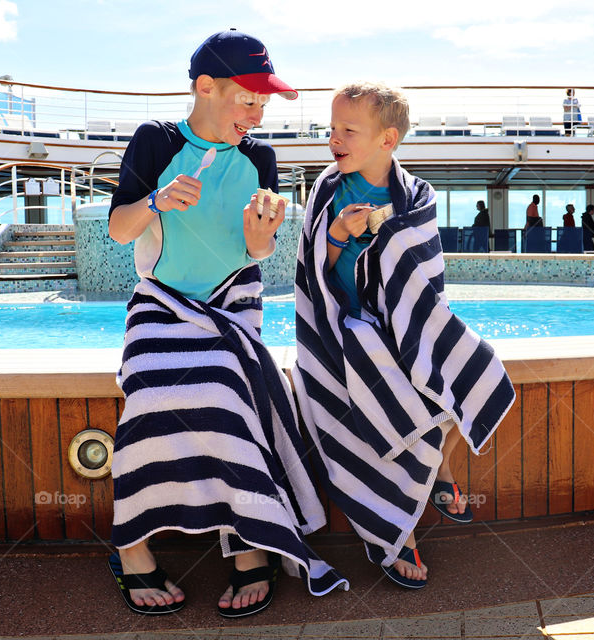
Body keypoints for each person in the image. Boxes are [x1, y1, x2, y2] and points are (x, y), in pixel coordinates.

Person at [106, 29, 347, 618]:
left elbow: (252, 254)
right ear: (205, 87)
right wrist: (157, 201)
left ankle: (248, 540)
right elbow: (119, 231)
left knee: (229, 391)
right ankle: (131, 547)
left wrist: (262, 241)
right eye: (249, 99)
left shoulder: (260, 158)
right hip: (161, 303)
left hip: (232, 303)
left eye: (264, 103)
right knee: (149, 398)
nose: (258, 113)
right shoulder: (155, 142)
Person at [293, 82, 515, 590]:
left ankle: (440, 468)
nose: (334, 139)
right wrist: (339, 237)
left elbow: (424, 284)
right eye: (332, 129)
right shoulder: (326, 192)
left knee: (475, 370)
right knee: (385, 404)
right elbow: (315, 274)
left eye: (348, 130)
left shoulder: (416, 198)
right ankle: (399, 531)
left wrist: (383, 251)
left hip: (401, 327)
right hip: (344, 329)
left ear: (387, 139)